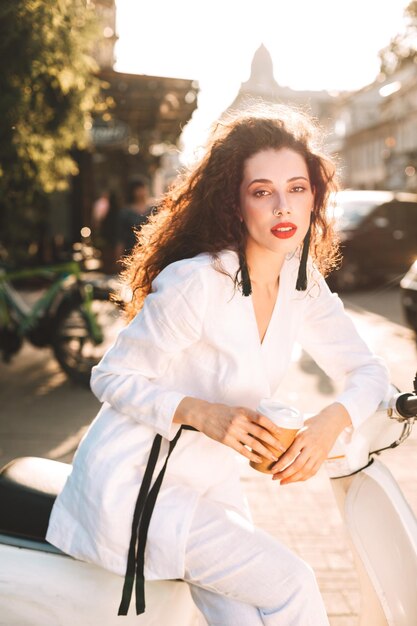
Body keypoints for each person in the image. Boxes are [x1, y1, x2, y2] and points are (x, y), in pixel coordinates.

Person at [46, 103, 390, 625]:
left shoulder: (302, 283)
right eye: (262, 192)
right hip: (137, 484)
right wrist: (201, 412)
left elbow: (368, 372)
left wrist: (329, 424)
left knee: (242, 613)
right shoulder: (197, 282)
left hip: (209, 486)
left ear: (315, 195)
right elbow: (111, 376)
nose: (282, 207)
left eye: (297, 188)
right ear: (235, 202)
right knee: (291, 582)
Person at [115, 176, 153, 258]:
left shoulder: (153, 209)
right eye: (138, 189)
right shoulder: (126, 212)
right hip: (131, 251)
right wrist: (118, 255)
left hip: (150, 250)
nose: (141, 192)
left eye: (142, 188)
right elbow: (121, 236)